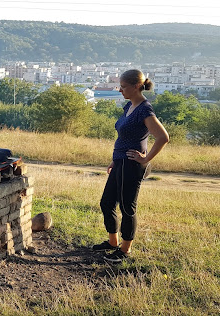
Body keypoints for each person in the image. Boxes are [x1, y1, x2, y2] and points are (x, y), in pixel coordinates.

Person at [92, 69, 169, 264]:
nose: (120, 90)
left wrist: (145, 158)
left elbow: (163, 137)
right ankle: (112, 243)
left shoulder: (144, 109)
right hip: (120, 162)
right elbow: (124, 136)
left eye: (124, 87)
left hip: (131, 165)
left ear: (136, 86)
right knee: (107, 203)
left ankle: (125, 251)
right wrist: (115, 159)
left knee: (127, 207)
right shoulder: (129, 106)